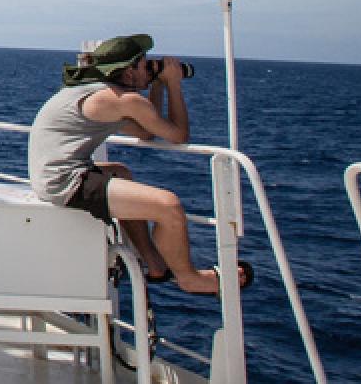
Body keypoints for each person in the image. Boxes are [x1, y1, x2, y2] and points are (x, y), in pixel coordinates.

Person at [27, 33, 253, 296]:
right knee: (169, 206)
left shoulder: (102, 93)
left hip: (52, 175)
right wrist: (173, 85)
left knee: (121, 173)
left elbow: (145, 132)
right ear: (129, 72)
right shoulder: (122, 100)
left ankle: (155, 264)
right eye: (145, 65)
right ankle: (189, 278)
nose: (150, 69)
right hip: (64, 182)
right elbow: (178, 135)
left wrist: (156, 85)